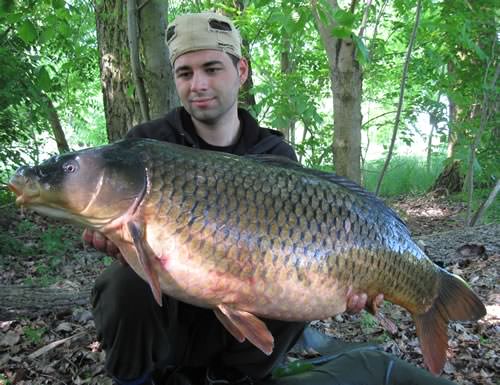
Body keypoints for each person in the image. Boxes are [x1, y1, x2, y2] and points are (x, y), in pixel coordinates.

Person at [85, 12, 455, 385]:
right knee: (122, 285)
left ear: (241, 71)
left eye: (212, 69)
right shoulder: (149, 144)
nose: (198, 84)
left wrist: (354, 280)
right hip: (170, 319)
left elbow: (313, 249)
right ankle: (136, 380)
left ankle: (233, 377)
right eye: (185, 73)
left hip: (239, 319)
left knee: (303, 284)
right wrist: (115, 239)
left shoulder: (273, 152)